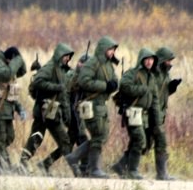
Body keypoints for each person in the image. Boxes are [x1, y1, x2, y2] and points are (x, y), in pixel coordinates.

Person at [65, 36, 119, 178]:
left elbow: (114, 80)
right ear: (103, 49)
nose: (112, 52)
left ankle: (76, 159)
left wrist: (114, 85)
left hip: (102, 104)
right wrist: (105, 86)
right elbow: (84, 81)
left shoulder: (108, 65)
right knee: (98, 136)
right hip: (92, 104)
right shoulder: (92, 63)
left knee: (102, 136)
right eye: (110, 49)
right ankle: (94, 168)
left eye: (113, 50)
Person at [20, 43, 75, 174]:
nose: (68, 58)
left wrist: (66, 114)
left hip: (51, 112)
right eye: (66, 56)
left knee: (38, 137)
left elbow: (63, 96)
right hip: (45, 111)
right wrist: (56, 87)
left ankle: (30, 164)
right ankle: (77, 171)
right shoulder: (50, 67)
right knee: (61, 141)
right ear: (59, 55)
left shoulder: (61, 70)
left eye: (69, 56)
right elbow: (38, 81)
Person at [110, 48, 160, 179]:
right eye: (147, 59)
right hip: (133, 112)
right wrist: (141, 89)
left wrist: (157, 120)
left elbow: (155, 100)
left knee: (140, 142)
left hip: (144, 115)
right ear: (142, 60)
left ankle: (120, 166)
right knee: (139, 140)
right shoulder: (133, 73)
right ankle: (132, 171)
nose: (149, 62)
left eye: (151, 59)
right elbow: (124, 86)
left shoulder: (152, 77)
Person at [0, 46, 27, 171]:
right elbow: (6, 75)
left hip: (8, 111)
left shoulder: (8, 67)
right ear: (9, 58)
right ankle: (2, 166)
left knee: (9, 137)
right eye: (14, 60)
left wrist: (19, 109)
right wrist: (17, 59)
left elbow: (23, 71)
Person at [149, 47, 181, 180]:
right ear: (162, 60)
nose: (170, 63)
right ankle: (162, 174)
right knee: (158, 141)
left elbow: (163, 93)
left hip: (160, 113)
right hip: (151, 112)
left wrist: (172, 87)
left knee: (146, 143)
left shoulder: (165, 74)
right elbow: (151, 93)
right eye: (168, 60)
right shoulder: (153, 74)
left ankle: (123, 166)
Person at [65, 53, 90, 176]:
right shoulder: (71, 74)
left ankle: (84, 168)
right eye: (81, 63)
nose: (82, 66)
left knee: (74, 140)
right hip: (72, 109)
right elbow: (69, 89)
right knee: (82, 138)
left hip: (82, 110)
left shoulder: (88, 77)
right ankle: (84, 168)